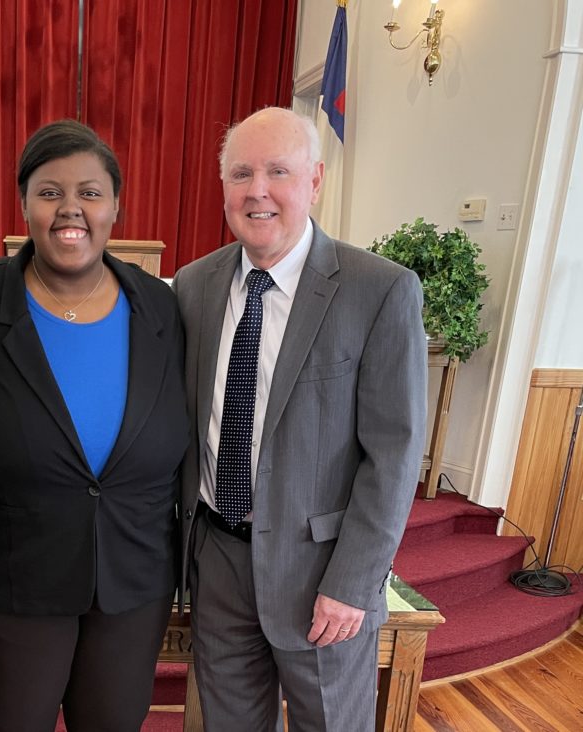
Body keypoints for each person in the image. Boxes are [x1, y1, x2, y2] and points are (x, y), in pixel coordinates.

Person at [0, 120, 188, 732]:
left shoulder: (162, 308)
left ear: (116, 205)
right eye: (49, 192)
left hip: (132, 581)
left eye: (90, 192)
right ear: (24, 203)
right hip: (13, 586)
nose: (71, 209)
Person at [173, 107, 427, 731]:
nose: (257, 190)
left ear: (314, 181)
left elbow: (393, 454)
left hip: (321, 573)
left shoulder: (379, 290)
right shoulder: (192, 285)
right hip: (218, 562)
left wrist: (354, 582)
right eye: (241, 174)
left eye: (277, 172)